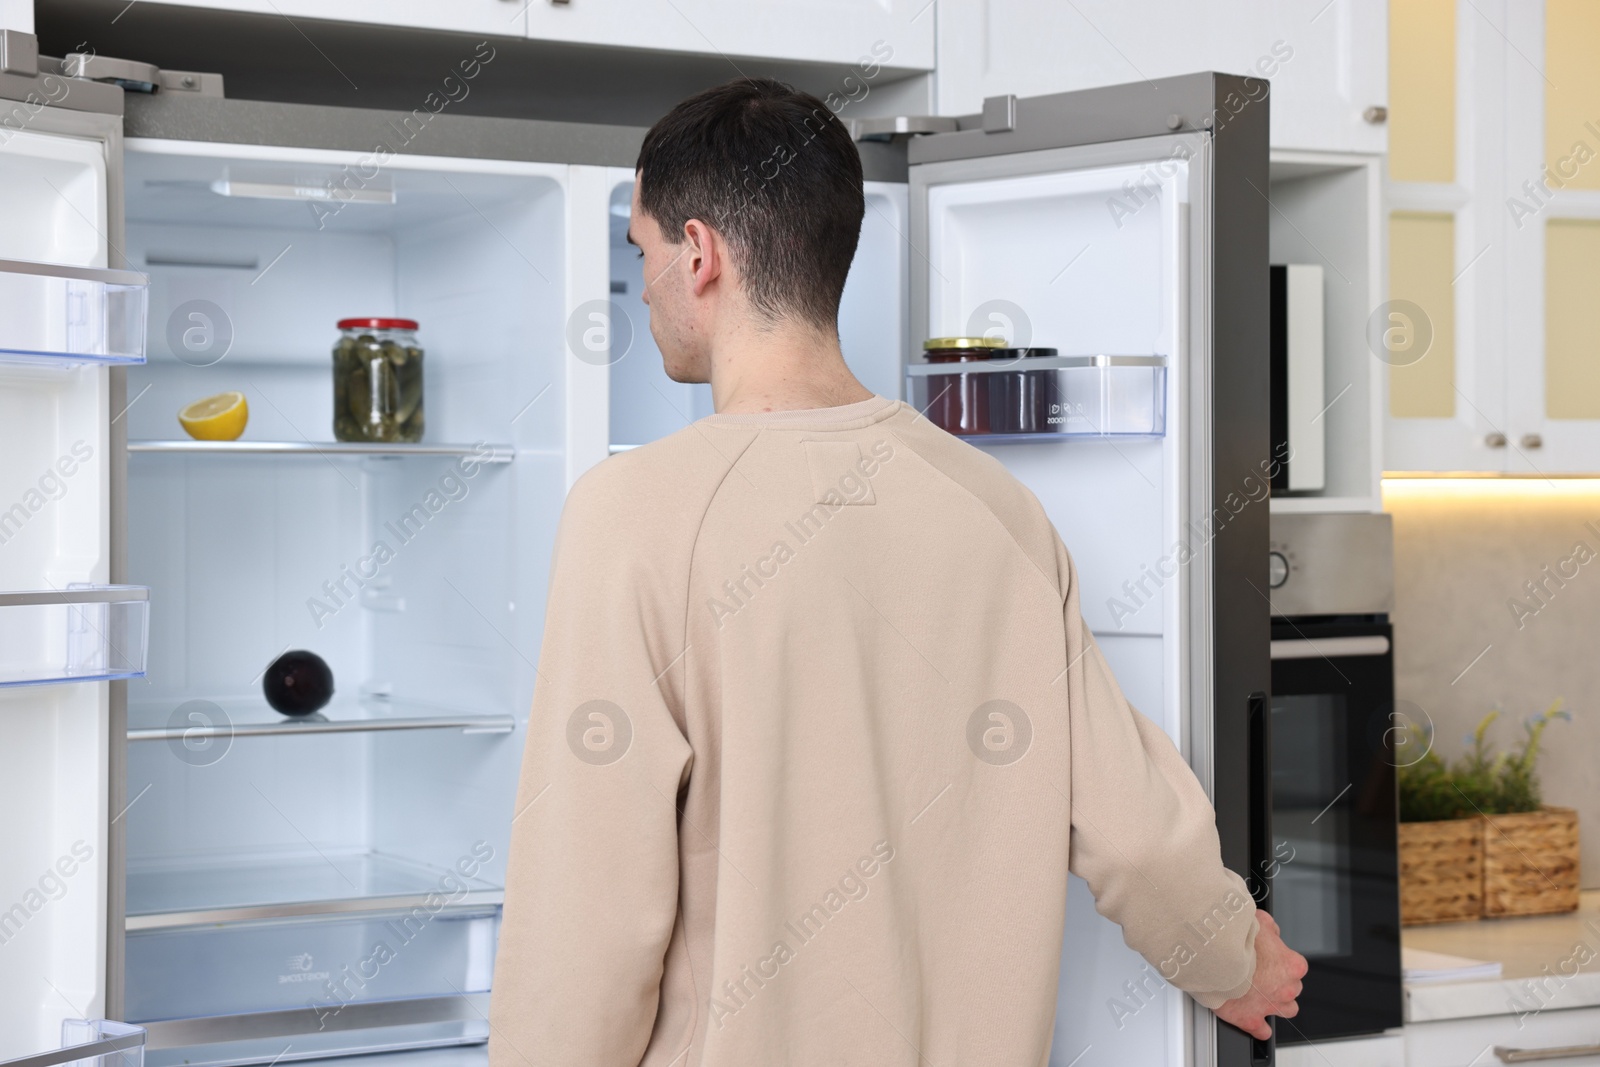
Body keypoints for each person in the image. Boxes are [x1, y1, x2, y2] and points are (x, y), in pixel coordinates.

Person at [489, 77, 1306, 1066]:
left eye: (642, 251)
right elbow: (1134, 831)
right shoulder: (992, 503)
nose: (644, 280)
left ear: (698, 254)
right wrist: (1231, 958)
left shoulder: (631, 512)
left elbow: (589, 909)